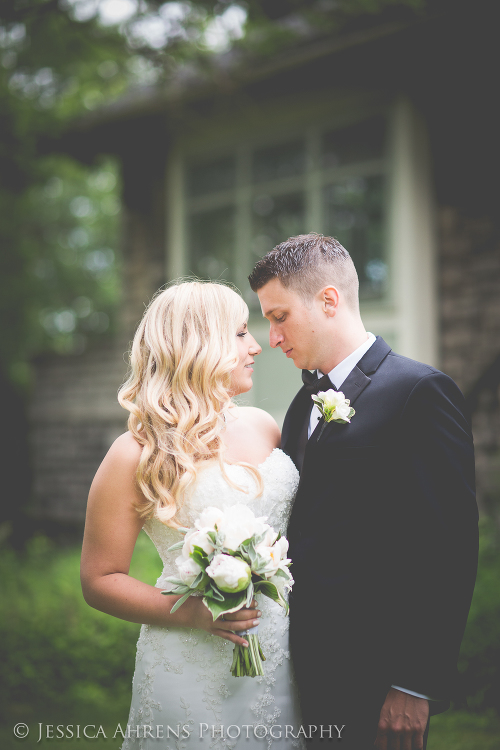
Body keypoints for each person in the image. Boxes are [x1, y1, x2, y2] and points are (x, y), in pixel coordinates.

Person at [249, 233, 478, 750]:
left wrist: (413, 683)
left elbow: (449, 547)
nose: (271, 337)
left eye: (279, 316)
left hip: (377, 676)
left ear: (328, 300)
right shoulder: (300, 406)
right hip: (300, 666)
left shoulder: (420, 393)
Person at [80, 281, 305, 749]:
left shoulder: (265, 426)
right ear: (198, 344)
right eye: (241, 334)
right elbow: (99, 578)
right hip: (188, 660)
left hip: (279, 651)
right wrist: (191, 614)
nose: (256, 347)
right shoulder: (135, 454)